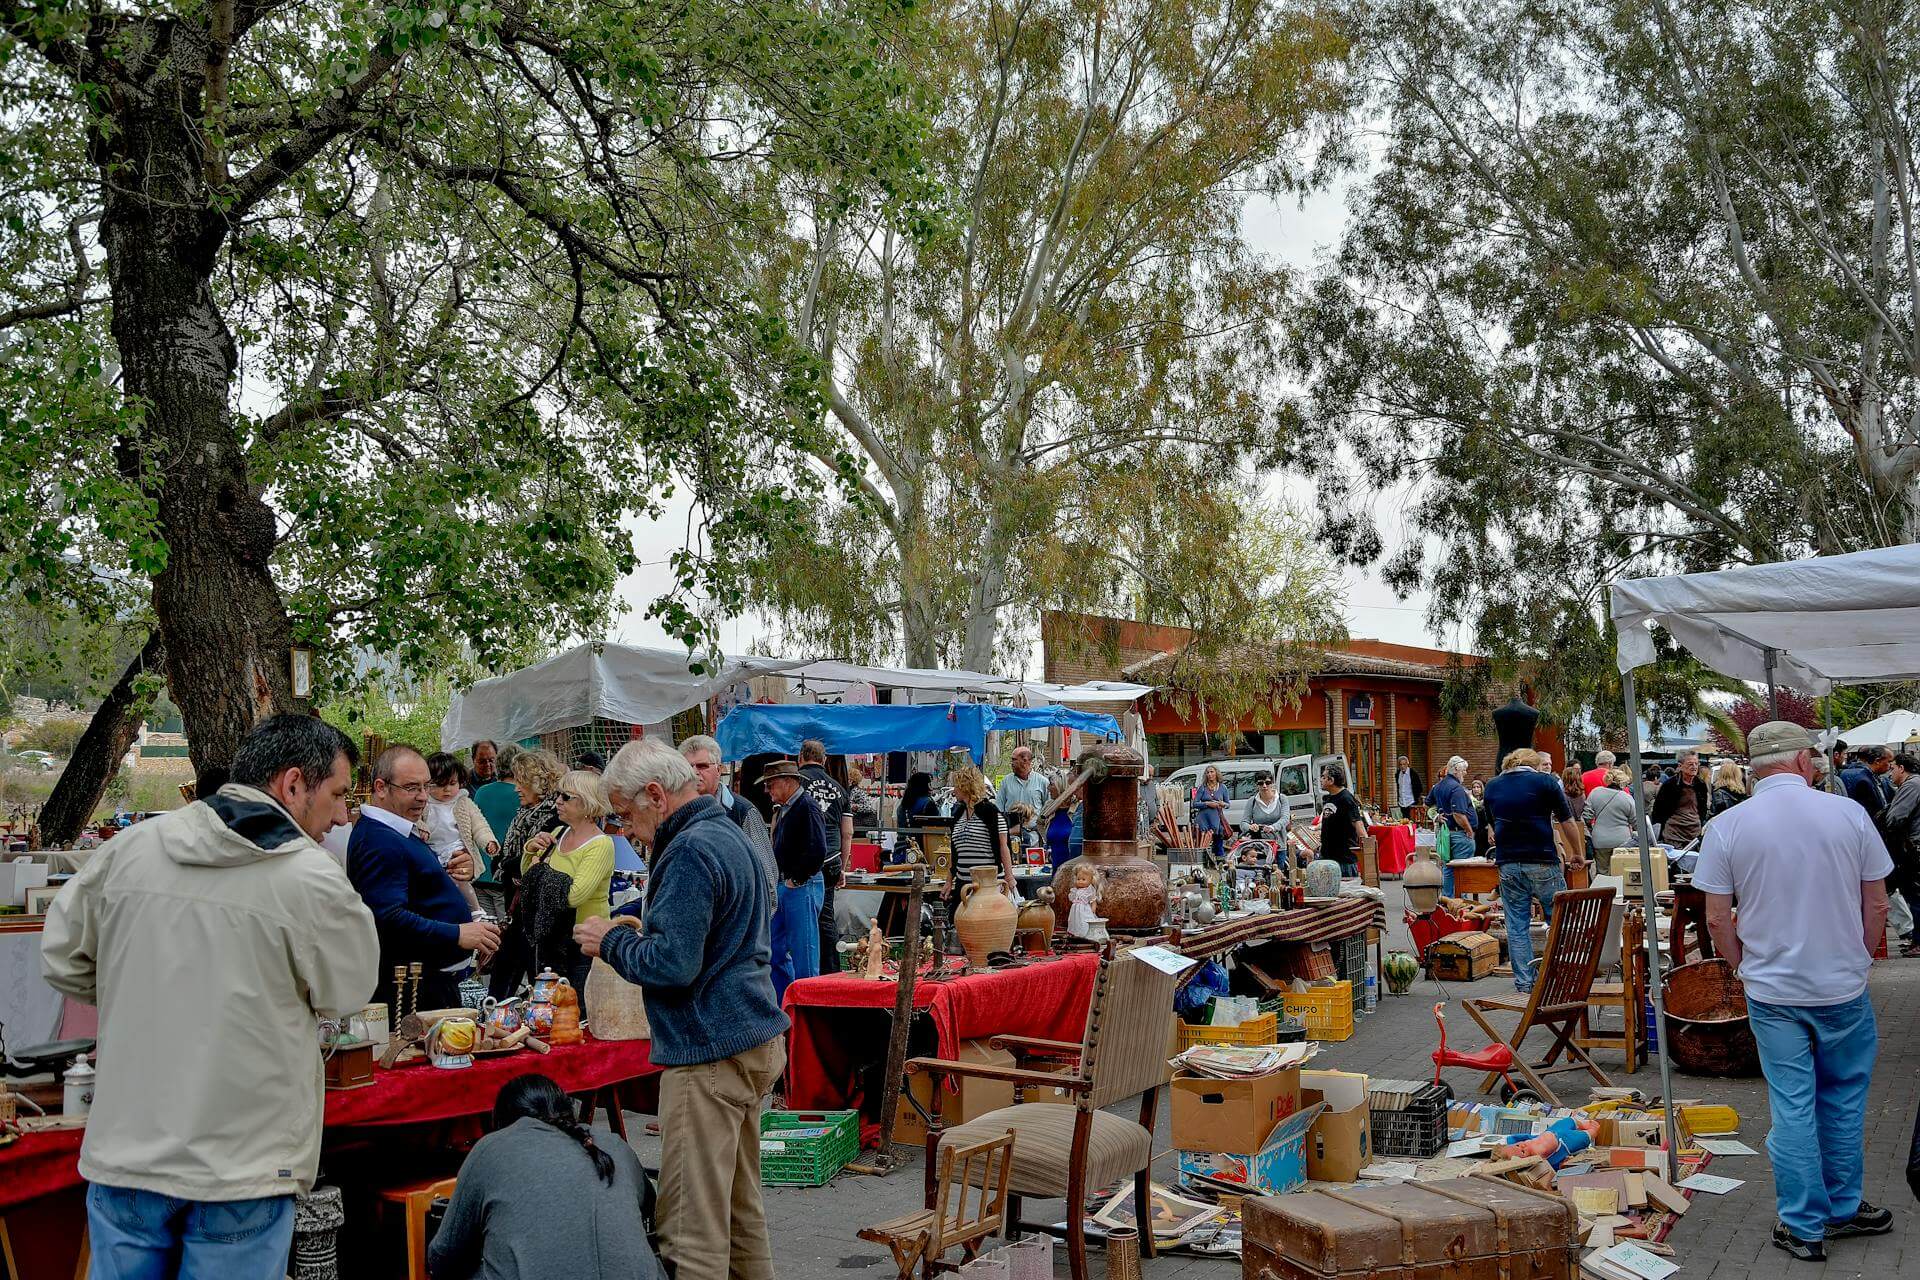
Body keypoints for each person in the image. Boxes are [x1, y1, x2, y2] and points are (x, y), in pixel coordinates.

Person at [43, 715, 378, 1278]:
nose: (343, 815)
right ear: (293, 784)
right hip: (241, 1166)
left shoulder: (130, 850)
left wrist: (143, 990)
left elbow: (62, 956)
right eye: (339, 795)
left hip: (130, 1152)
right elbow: (348, 992)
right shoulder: (311, 879)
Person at [574, 740, 786, 1280]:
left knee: (690, 1232)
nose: (625, 831)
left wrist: (612, 942)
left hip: (709, 1048)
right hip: (745, 1034)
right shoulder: (725, 832)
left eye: (625, 816)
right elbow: (712, 944)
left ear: (655, 795)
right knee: (739, 1219)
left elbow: (673, 964)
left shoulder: (689, 848)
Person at [1693, 722, 1892, 1262]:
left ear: (1757, 766)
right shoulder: (1848, 814)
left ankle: (1804, 1223)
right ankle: (1843, 1208)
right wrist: (1859, 959)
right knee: (1844, 1098)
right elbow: (1875, 904)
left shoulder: (1728, 825)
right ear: (1804, 760)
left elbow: (1716, 919)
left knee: (1793, 1103)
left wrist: (1743, 967)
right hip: (1840, 985)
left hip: (1773, 988)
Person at [428, 1073, 664, 1280]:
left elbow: (443, 1256)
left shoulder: (492, 1148)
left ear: (503, 1122)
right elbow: (648, 1212)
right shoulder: (613, 1144)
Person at [348, 745, 499, 1009]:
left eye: (425, 787)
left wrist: (451, 873)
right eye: (411, 788)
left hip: (429, 985)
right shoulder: (379, 839)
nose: (423, 797)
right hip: (412, 991)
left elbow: (414, 888)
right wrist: (456, 934)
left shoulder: (397, 831)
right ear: (381, 787)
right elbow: (387, 917)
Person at [1482, 748, 1571, 995]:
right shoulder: (1546, 782)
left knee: (1517, 924)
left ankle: (1524, 984)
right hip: (1542, 858)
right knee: (1559, 920)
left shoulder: (1492, 786)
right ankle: (1559, 978)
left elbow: (1491, 818)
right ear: (1534, 764)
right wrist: (1576, 853)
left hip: (1508, 861)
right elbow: (1566, 820)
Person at [520, 769, 615, 1000]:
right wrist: (530, 849)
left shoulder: (601, 845)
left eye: (565, 796)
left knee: (577, 1011)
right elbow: (528, 878)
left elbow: (574, 896)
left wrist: (540, 870)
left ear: (587, 803)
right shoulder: (558, 833)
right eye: (558, 795)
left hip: (584, 945)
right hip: (552, 940)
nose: (557, 801)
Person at [490, 747, 564, 997]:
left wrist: (508, 862)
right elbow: (504, 861)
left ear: (538, 781)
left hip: (536, 917)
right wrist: (509, 862)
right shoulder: (524, 815)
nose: (515, 788)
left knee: (537, 989)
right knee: (501, 987)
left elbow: (530, 861)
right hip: (515, 910)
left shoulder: (556, 816)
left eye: (520, 781)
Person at [680, 734, 777, 910]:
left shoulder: (742, 811)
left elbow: (767, 878)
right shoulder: (677, 813)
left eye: (702, 766)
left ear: (719, 769)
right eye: (688, 766)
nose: (694, 772)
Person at [763, 759, 827, 1000]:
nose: (768, 790)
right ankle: (788, 1003)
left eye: (771, 784)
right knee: (773, 948)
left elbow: (818, 849)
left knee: (805, 954)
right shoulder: (787, 808)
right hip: (789, 883)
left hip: (801, 884)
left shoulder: (806, 807)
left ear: (788, 782)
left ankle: (808, 1010)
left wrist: (798, 879)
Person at [796, 740, 851, 970]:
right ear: (824, 760)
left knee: (800, 918)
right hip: (830, 859)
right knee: (825, 917)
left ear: (800, 757)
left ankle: (806, 972)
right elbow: (847, 832)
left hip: (802, 860)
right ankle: (831, 970)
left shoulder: (794, 783)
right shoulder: (839, 788)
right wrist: (842, 866)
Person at [424, 752, 495, 915]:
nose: (447, 789)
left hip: (456, 848)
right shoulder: (424, 803)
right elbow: (416, 822)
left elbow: (479, 825)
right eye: (440, 784)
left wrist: (488, 841)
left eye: (452, 783)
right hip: (432, 850)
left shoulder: (463, 802)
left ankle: (475, 910)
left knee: (459, 879)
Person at [471, 744, 523, 919]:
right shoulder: (522, 795)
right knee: (506, 931)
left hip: (480, 874)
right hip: (505, 877)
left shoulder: (481, 793)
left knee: (487, 930)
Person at [949, 764, 1016, 893]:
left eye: (956, 786)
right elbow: (955, 852)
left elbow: (1003, 846)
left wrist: (1009, 877)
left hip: (988, 884)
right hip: (962, 883)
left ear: (965, 787)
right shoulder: (958, 814)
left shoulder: (990, 812)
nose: (954, 791)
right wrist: (949, 880)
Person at [1883, 752, 1920, 956]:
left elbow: (1895, 818)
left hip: (1913, 847)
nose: (1891, 772)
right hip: (1913, 845)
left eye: (1893, 767)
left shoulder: (1911, 785)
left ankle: (1918, 942)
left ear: (1902, 768)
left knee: (1915, 896)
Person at [1425, 756, 1476, 897]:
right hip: (1459, 834)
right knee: (1461, 870)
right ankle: (1460, 901)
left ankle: (1447, 899)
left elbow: (1427, 804)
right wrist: (1469, 830)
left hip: (1445, 833)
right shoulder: (1457, 789)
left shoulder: (1438, 786)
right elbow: (1458, 814)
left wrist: (1436, 816)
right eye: (1464, 770)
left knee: (1447, 867)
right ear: (1457, 770)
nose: (1465, 773)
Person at [1585, 768, 1653, 859]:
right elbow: (1636, 823)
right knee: (1620, 869)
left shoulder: (1595, 793)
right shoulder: (1627, 798)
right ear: (1623, 782)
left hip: (1600, 841)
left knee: (1602, 871)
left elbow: (1586, 817)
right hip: (1622, 841)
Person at [996, 745, 1052, 852]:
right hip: (1011, 838)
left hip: (1035, 839)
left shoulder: (1042, 782)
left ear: (1025, 760)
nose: (1011, 763)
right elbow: (999, 810)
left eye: (1014, 760)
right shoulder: (1006, 782)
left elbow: (1048, 811)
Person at [1316, 762, 1365, 877]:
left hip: (1343, 860)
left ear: (1331, 780)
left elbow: (1358, 824)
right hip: (1328, 857)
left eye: (1323, 777)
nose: (1321, 780)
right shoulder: (1330, 798)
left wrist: (1368, 849)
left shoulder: (1346, 799)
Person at [1651, 750, 1708, 846]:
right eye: (1690, 764)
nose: (1694, 767)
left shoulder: (1700, 784)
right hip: (1673, 835)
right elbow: (1658, 811)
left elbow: (1703, 809)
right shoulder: (1670, 785)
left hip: (1695, 834)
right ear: (1680, 766)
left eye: (1696, 763)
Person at [1191, 764, 1230, 860]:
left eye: (1212, 771)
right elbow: (1195, 804)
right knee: (1202, 844)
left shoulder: (1223, 787)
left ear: (1216, 773)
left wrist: (1222, 804)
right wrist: (1207, 804)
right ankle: (1202, 863)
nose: (1209, 774)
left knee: (1218, 845)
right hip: (1203, 820)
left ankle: (1219, 864)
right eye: (1207, 772)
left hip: (1216, 820)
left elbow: (1228, 804)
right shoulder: (1202, 787)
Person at [1393, 754, 1424, 821]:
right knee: (1403, 821)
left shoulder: (1413, 774)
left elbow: (1419, 787)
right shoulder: (1398, 774)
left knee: (1412, 821)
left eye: (1404, 764)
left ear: (1407, 764)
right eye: (1401, 765)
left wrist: (1416, 798)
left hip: (1411, 802)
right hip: (1401, 803)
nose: (1402, 766)